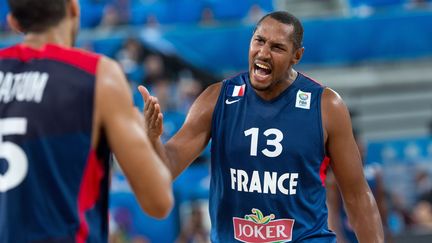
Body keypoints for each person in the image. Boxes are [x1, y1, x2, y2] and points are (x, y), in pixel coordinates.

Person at [139, 11, 384, 242]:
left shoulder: (326, 106)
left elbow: (357, 196)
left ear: (296, 56)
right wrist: (152, 140)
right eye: (259, 41)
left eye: (277, 47)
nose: (263, 53)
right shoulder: (217, 98)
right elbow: (167, 168)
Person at [0, 0, 173, 242]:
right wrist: (138, 127)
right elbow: (159, 201)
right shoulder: (98, 74)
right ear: (73, 9)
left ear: (14, 23)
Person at [326, 135, 391, 242]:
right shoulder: (334, 177)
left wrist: (386, 229)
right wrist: (338, 237)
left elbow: (381, 204)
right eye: (359, 148)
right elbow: (333, 210)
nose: (362, 152)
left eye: (363, 149)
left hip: (370, 226)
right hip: (347, 227)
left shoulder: (374, 173)